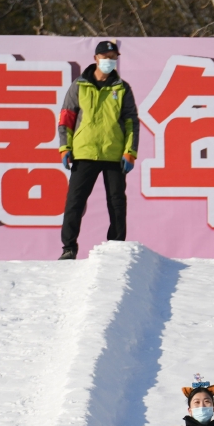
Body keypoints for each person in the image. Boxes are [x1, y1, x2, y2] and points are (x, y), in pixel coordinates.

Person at [58, 40, 139, 261]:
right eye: (105, 57)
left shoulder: (122, 88)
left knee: (116, 202)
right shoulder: (79, 85)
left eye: (113, 58)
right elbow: (66, 118)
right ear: (96, 59)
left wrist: (130, 151)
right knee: (75, 201)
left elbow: (132, 121)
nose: (109, 61)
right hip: (84, 153)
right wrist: (65, 147)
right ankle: (68, 247)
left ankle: (116, 246)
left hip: (114, 154)